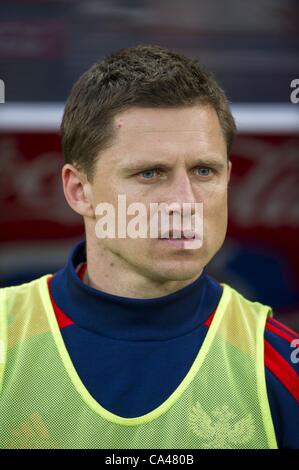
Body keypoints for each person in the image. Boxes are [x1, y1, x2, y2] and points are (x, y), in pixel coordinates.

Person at [0, 45, 298, 449]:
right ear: (77, 189)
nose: (184, 202)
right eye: (150, 173)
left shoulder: (282, 363)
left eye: (204, 170)